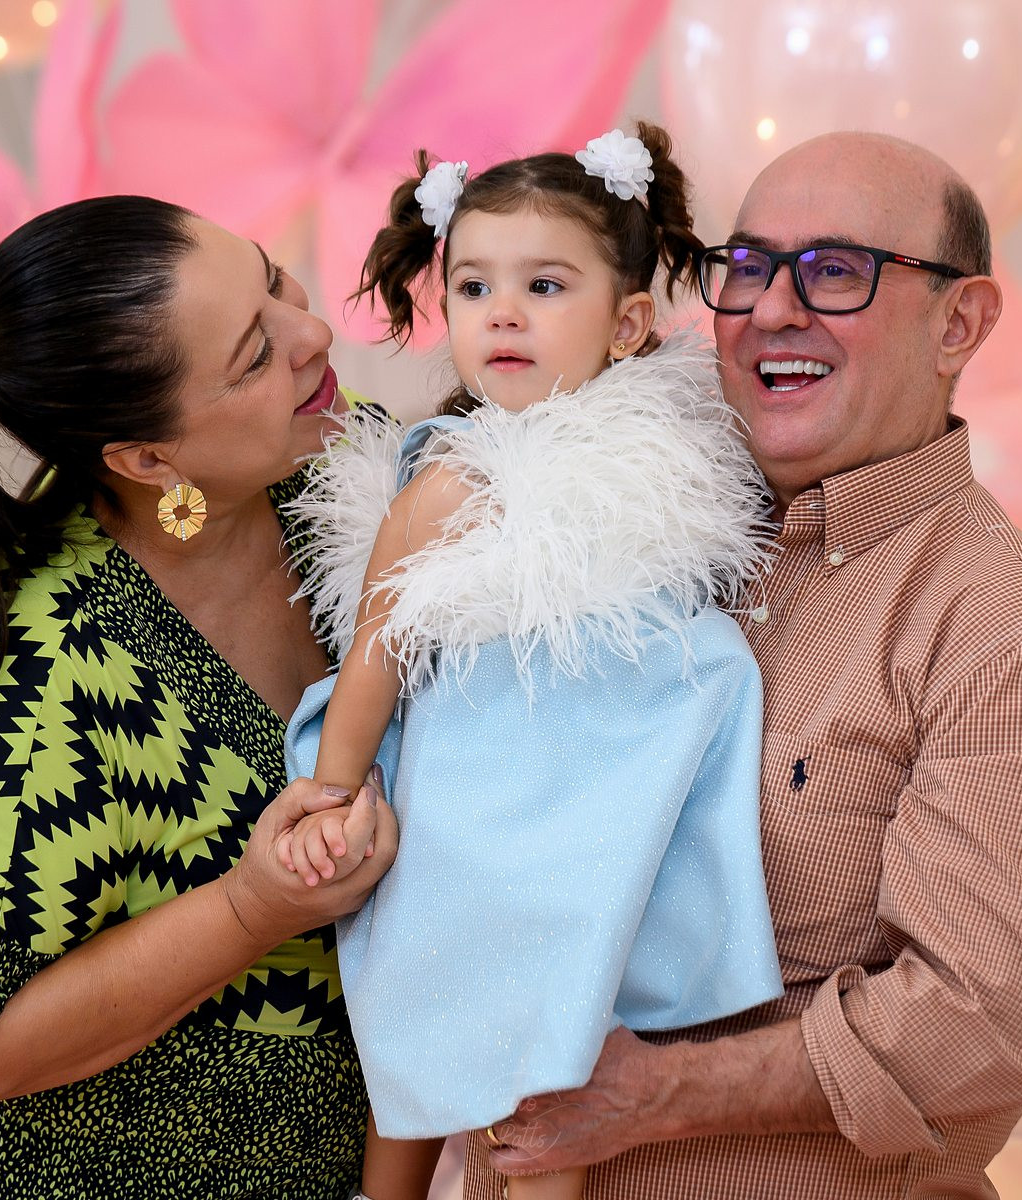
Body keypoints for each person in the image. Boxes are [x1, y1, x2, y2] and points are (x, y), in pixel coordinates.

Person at [468, 133, 1022, 1198]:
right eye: (749, 267)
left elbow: (982, 1022)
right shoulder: (632, 541)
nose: (774, 309)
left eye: (837, 271)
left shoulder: (1019, 644)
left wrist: (655, 1094)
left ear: (960, 323)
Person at [0, 195, 399, 1200]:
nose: (312, 332)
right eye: (254, 354)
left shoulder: (332, 467)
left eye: (273, 278)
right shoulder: (54, 675)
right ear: (149, 461)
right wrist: (250, 908)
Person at [280, 125, 783, 1200]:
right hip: (472, 816)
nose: (502, 313)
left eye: (544, 286)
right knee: (427, 1035)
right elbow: (376, 651)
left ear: (628, 324)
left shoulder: (663, 461)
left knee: (561, 1062)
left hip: (588, 812)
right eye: (474, 287)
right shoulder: (448, 483)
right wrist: (331, 796)